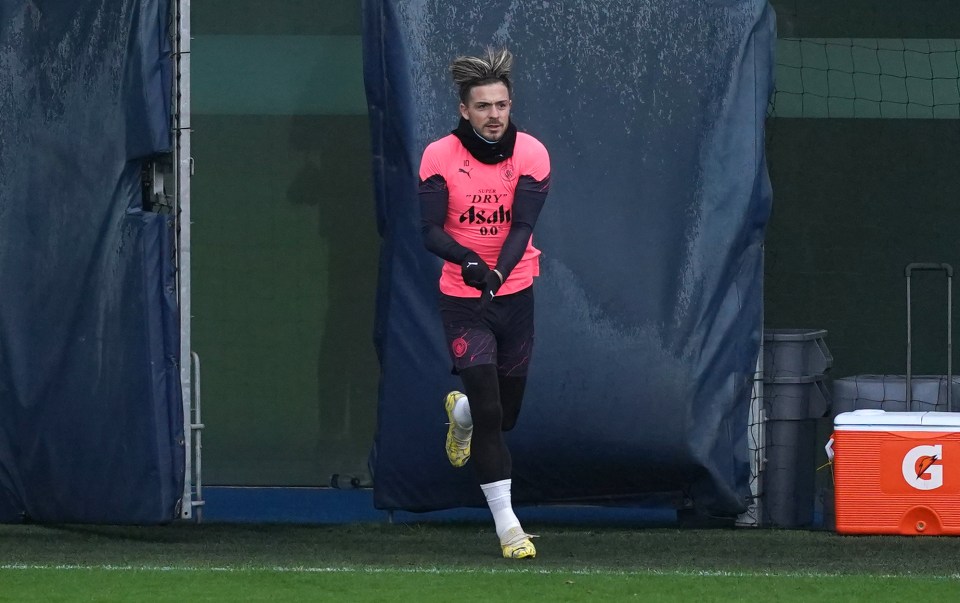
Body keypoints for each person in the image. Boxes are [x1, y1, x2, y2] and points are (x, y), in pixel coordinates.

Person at [417, 48, 551, 559]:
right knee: (495, 412)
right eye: (483, 106)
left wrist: (498, 271)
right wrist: (470, 262)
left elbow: (522, 225)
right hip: (463, 300)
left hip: (515, 296)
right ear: (464, 110)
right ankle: (509, 529)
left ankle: (463, 413)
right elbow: (429, 230)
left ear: (510, 105)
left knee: (504, 414)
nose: (494, 115)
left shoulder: (532, 154)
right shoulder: (439, 156)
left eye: (501, 105)